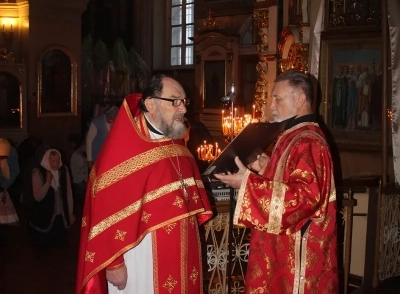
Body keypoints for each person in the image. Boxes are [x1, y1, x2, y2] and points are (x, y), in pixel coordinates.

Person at [76, 74, 213, 294]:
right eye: (175, 101)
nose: (183, 109)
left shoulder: (178, 146)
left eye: (184, 101)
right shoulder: (123, 149)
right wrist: (114, 264)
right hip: (141, 254)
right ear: (151, 104)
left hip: (183, 251)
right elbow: (106, 209)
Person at [214, 71, 338, 293]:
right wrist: (267, 169)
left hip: (297, 255)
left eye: (277, 99)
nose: (270, 106)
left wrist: (248, 184)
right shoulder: (294, 136)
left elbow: (304, 200)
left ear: (300, 100)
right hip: (281, 247)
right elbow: (291, 183)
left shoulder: (308, 140)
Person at [29, 149, 75, 247]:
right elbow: (37, 197)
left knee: (60, 247)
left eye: (58, 160)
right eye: (52, 161)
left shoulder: (63, 170)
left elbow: (68, 192)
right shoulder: (38, 172)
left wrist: (70, 212)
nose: (56, 164)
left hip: (60, 217)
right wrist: (48, 182)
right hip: (44, 216)